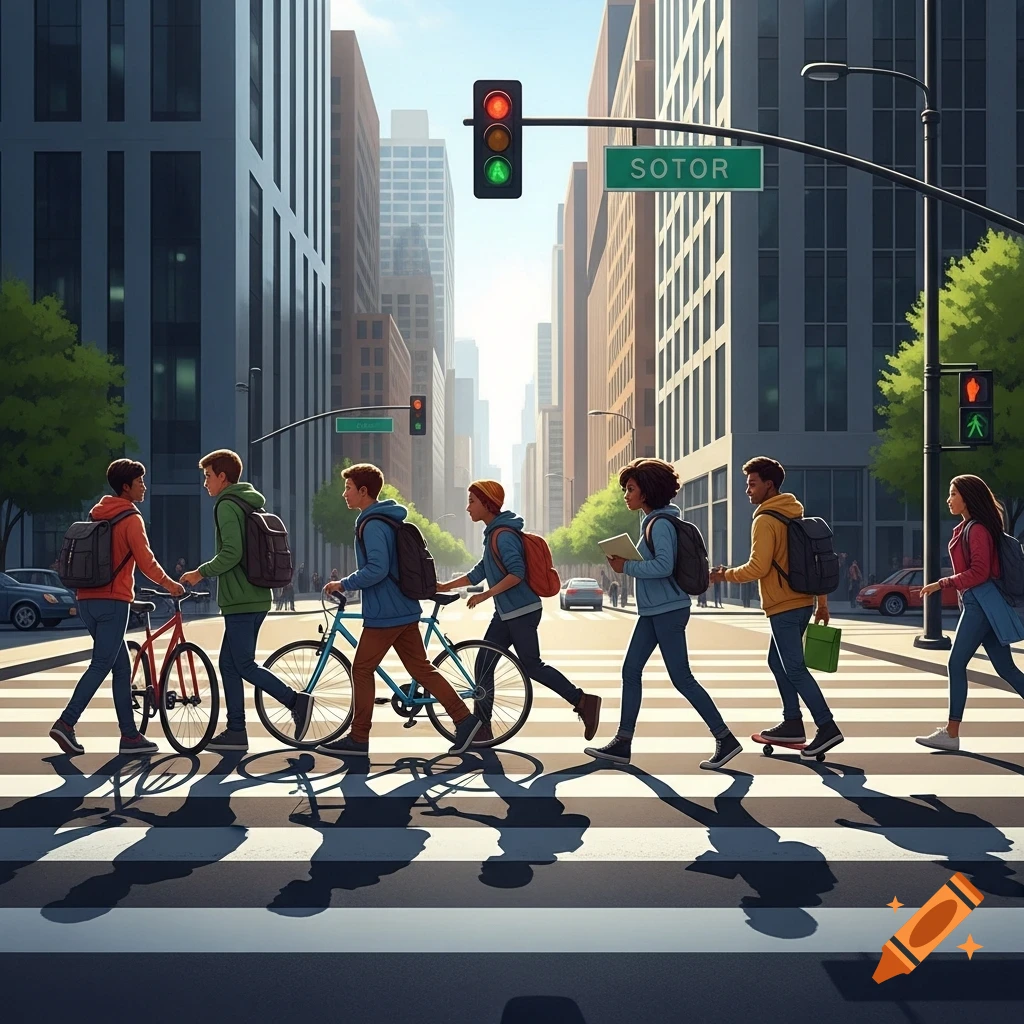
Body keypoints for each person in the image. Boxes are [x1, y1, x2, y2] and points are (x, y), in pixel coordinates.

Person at [585, 458, 741, 769]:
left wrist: (625, 566)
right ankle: (623, 742)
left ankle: (725, 739)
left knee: (682, 678)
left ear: (647, 492)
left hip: (668, 611)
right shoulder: (653, 523)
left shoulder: (661, 525)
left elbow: (664, 566)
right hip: (655, 611)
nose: (625, 495)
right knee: (631, 671)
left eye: (630, 489)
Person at [317, 463, 481, 757]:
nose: (344, 494)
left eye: (349, 488)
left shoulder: (373, 524)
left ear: (363, 491)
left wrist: (344, 583)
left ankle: (358, 737)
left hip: (386, 612)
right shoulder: (384, 520)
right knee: (422, 669)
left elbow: (377, 569)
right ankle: (465, 721)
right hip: (403, 608)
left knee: (362, 669)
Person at [437, 480, 602, 743]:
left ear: (487, 504)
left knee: (531, 665)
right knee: (484, 663)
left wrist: (485, 595)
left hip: (521, 611)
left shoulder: (503, 536)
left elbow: (517, 574)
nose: (467, 508)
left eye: (472, 501)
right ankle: (482, 727)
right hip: (507, 613)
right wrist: (444, 585)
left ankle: (582, 700)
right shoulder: (493, 534)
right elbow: (479, 572)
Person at [710, 456, 843, 760]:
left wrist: (724, 575)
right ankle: (793, 723)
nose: (747, 489)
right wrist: (822, 604)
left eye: (752, 483)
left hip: (783, 605)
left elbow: (757, 567)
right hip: (803, 602)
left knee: (794, 668)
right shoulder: (793, 514)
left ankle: (826, 726)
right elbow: (815, 560)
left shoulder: (766, 519)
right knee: (777, 661)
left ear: (769, 485)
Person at [180, 449, 314, 751]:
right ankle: (236, 730)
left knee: (243, 664)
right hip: (256, 596)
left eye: (208, 476)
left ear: (222, 477)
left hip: (240, 598)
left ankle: (295, 700)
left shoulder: (226, 505)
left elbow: (231, 553)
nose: (205, 483)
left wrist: (199, 573)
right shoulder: (247, 502)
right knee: (229, 664)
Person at [49, 459, 185, 757]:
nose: (144, 487)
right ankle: (66, 723)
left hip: (86, 601)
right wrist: (171, 585)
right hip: (112, 603)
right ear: (127, 486)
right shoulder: (131, 519)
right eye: (140, 482)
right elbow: (146, 561)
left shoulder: (98, 515)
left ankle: (130, 736)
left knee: (121, 667)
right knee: (101, 664)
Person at [916, 474, 1024, 751]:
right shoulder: (969, 527)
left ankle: (951, 733)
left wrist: (942, 583)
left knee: (955, 663)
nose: (948, 499)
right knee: (1006, 668)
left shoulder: (976, 529)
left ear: (967, 497)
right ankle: (951, 733)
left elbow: (980, 572)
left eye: (953, 493)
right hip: (981, 602)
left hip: (980, 603)